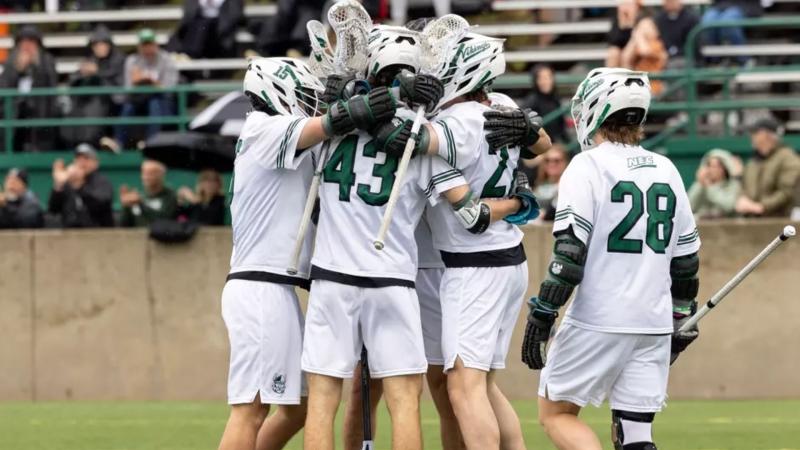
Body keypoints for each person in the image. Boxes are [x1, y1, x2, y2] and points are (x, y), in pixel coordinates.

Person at [370, 29, 552, 449]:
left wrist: (388, 95)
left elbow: (406, 141)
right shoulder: (502, 105)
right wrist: (518, 195)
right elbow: (541, 143)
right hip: (507, 259)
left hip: (474, 267)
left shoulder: (453, 125)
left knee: (463, 386)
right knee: (482, 385)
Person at [217, 56, 396, 450]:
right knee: (250, 409)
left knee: (297, 408)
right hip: (260, 287)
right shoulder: (263, 126)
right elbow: (333, 122)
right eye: (301, 95)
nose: (307, 103)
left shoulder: (280, 133)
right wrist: (360, 100)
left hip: (274, 287)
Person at [521, 68, 701, 450]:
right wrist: (682, 315)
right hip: (652, 322)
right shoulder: (667, 169)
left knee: (556, 414)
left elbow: (570, 254)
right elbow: (686, 260)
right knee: (636, 435)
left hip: (599, 318)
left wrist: (544, 312)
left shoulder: (587, 165)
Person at [109, 29, 179, 151]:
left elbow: (170, 87)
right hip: (139, 98)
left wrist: (152, 83)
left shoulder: (166, 59)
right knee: (128, 107)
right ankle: (118, 142)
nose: (147, 48)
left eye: (150, 44)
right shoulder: (132, 60)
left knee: (154, 104)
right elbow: (128, 88)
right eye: (144, 45)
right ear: (139, 47)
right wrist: (138, 81)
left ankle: (151, 142)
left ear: (155, 45)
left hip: (161, 98)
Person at [63, 25, 126, 148]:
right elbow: (72, 82)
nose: (99, 47)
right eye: (96, 44)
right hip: (87, 102)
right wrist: (82, 75)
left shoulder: (119, 60)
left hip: (111, 104)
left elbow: (118, 88)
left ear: (109, 45)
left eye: (103, 44)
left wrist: (97, 73)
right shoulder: (90, 60)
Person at [0, 25, 58, 152]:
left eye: (31, 42)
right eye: (23, 42)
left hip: (40, 116)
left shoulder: (46, 60)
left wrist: (35, 67)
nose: (27, 46)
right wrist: (18, 70)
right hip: (16, 116)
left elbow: (51, 86)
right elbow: (4, 87)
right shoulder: (11, 62)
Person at [735, 118, 800, 217]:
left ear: (767, 135)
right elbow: (744, 187)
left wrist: (762, 206)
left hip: (779, 220)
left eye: (756, 132)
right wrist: (742, 199)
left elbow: (787, 192)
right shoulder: (752, 162)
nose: (752, 136)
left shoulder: (788, 158)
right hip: (752, 220)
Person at [48, 144, 115, 228]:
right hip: (70, 233)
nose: (82, 163)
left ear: (96, 163)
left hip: (99, 232)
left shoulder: (102, 182)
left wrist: (79, 186)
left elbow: (101, 204)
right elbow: (53, 210)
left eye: (86, 158)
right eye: (78, 158)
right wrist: (58, 185)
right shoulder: (68, 183)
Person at [168, 0, 243, 59]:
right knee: (199, 25)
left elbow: (234, 16)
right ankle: (186, 53)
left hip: (220, 35)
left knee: (204, 25)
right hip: (196, 31)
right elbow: (188, 17)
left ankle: (188, 53)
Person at [701, 0, 762, 66]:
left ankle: (744, 60)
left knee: (728, 21)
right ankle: (715, 61)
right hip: (720, 6)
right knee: (708, 20)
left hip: (746, 6)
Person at [119, 159, 178, 227]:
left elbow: (163, 220)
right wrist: (126, 207)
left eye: (151, 174)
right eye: (144, 173)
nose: (146, 177)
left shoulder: (170, 196)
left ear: (161, 175)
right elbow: (124, 226)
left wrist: (140, 204)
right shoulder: (139, 195)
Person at [688, 148, 742, 219]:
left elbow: (729, 206)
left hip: (725, 224)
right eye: (709, 166)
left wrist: (709, 187)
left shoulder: (732, 185)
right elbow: (689, 205)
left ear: (724, 168)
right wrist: (700, 183)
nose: (711, 170)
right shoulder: (701, 185)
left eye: (715, 166)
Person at [520, 64, 566, 143]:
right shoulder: (531, 101)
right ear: (536, 81)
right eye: (541, 78)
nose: (545, 82)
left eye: (548, 77)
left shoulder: (556, 99)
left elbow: (561, 129)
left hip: (555, 144)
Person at [621, 17, 668, 94]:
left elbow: (645, 51)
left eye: (648, 27)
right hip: (637, 86)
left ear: (655, 30)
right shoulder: (638, 45)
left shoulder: (657, 44)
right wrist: (633, 38)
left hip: (653, 87)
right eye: (642, 27)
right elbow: (625, 59)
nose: (644, 30)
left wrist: (638, 36)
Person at [654, 0, 700, 64]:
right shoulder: (659, 19)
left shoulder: (691, 19)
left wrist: (676, 52)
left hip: (686, 57)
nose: (670, 3)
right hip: (664, 56)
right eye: (668, 1)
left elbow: (694, 43)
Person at [532, 145, 570, 222]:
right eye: (547, 160)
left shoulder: (570, 188)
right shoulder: (538, 187)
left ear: (565, 162)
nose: (552, 164)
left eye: (557, 160)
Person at [606, 0, 643, 67]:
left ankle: (627, 73)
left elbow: (639, 38)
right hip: (622, 48)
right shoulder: (618, 19)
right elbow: (613, 41)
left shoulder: (642, 19)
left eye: (629, 5)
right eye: (624, 5)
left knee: (627, 55)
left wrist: (631, 22)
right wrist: (622, 25)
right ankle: (611, 73)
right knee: (613, 53)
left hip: (638, 47)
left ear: (637, 7)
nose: (625, 8)